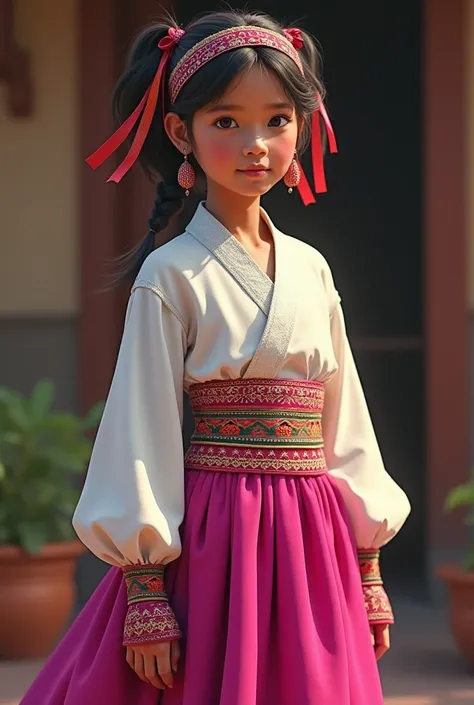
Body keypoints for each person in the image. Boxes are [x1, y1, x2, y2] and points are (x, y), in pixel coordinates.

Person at [21, 9, 411, 705]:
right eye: (226, 121)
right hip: (216, 538)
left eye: (278, 120)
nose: (255, 143)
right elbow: (139, 432)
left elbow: (343, 418)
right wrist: (146, 588)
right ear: (182, 133)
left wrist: (367, 559)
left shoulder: (313, 270)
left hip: (313, 541)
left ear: (303, 127)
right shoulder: (169, 275)